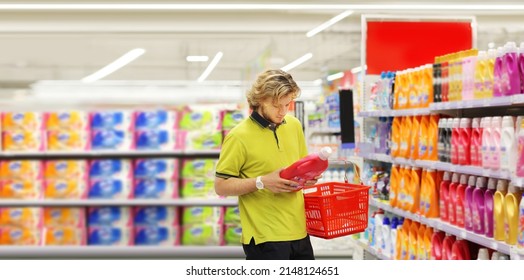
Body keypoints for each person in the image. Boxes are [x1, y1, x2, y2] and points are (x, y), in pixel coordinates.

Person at [214, 69, 319, 260]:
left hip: (300, 231)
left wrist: (308, 178)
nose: (282, 112)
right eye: (276, 106)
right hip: (264, 238)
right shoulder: (238, 137)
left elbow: (302, 166)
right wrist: (261, 182)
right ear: (261, 99)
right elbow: (221, 186)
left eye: (287, 105)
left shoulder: (294, 125)